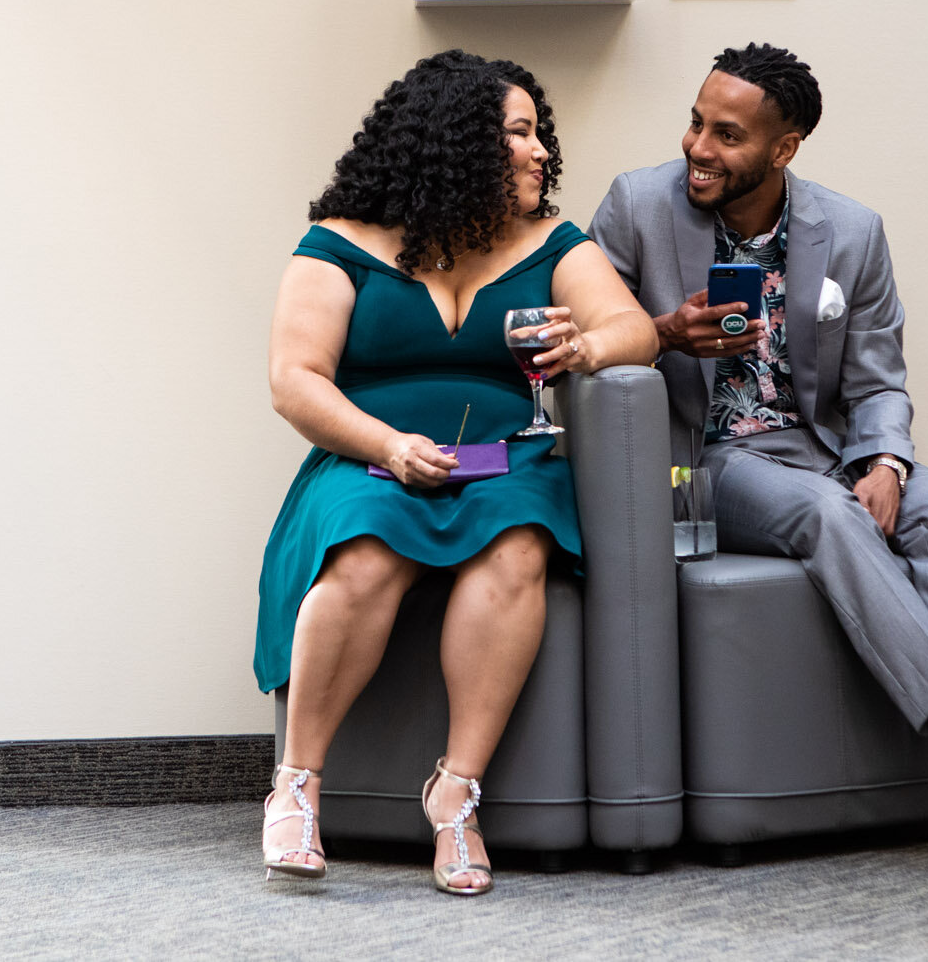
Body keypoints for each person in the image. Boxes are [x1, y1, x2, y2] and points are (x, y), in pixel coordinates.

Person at [589, 43, 928, 879]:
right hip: (706, 461)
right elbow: (588, 339)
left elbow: (879, 378)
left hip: (823, 451)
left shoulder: (851, 232)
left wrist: (885, 460)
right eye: (696, 122)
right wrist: (665, 331)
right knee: (827, 513)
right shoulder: (635, 207)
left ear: (785, 148)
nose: (699, 147)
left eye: (728, 135)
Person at [257, 50, 656, 895]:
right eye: (520, 132)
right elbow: (295, 379)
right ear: (458, 141)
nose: (542, 150)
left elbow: (635, 330)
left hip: (507, 458)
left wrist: (585, 345)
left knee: (517, 545)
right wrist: (389, 445)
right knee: (366, 547)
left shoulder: (552, 240)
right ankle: (297, 784)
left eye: (540, 132)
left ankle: (456, 794)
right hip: (369, 452)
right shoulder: (338, 244)